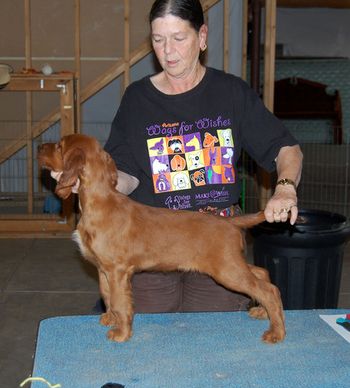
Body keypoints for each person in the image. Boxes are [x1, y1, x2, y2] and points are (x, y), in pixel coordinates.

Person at [54, 0, 303, 313]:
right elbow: (125, 176)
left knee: (211, 333)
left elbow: (286, 148)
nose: (167, 51)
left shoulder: (231, 93)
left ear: (202, 37)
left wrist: (284, 186)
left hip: (213, 233)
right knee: (149, 333)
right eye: (158, 40)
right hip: (150, 236)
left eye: (178, 38)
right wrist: (91, 184)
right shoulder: (137, 99)